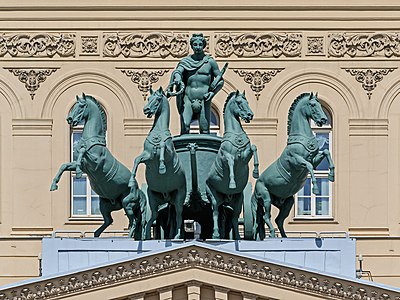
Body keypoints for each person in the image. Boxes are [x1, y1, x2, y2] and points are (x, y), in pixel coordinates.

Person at [167, 33, 227, 134]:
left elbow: (220, 81)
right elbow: (178, 71)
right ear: (192, 46)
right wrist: (177, 77)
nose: (198, 47)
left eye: (200, 45)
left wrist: (213, 93)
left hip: (204, 99)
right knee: (185, 127)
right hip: (188, 99)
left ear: (203, 46)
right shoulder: (186, 61)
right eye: (195, 44)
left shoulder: (210, 62)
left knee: (205, 130)